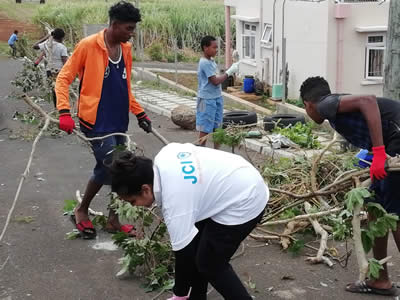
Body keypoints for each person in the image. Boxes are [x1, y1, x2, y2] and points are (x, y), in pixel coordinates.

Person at [109, 143, 269, 300]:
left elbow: (184, 255)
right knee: (199, 245)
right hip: (237, 176)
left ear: (145, 189)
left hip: (246, 199)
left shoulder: (175, 203)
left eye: (132, 201)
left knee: (210, 263)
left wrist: (179, 294)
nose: (136, 206)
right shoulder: (165, 154)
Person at [55, 1, 151, 239]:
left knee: (109, 168)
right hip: (96, 122)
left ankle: (105, 217)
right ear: (115, 25)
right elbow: (63, 78)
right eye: (129, 28)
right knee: (117, 168)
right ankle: (87, 211)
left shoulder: (125, 50)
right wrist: (64, 112)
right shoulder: (88, 46)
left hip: (119, 121)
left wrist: (139, 113)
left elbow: (125, 87)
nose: (132, 33)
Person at [300, 76, 400, 297]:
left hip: (395, 144)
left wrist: (380, 152)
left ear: (308, 104)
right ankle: (380, 279)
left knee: (395, 215)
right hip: (389, 145)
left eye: (306, 109)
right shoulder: (336, 108)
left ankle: (380, 279)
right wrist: (372, 155)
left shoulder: (325, 104)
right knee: (376, 210)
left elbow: (368, 101)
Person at [196, 36, 239, 148]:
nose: (216, 50)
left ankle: (217, 152)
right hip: (206, 100)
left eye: (217, 48)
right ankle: (200, 152)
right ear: (205, 48)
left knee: (217, 127)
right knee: (204, 128)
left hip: (216, 97)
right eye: (214, 47)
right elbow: (215, 81)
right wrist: (229, 72)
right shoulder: (204, 63)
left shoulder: (211, 61)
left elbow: (217, 78)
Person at [33, 28, 68, 107]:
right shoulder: (62, 47)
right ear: (62, 37)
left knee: (54, 89)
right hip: (59, 71)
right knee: (61, 90)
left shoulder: (47, 44)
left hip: (49, 71)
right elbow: (65, 62)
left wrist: (46, 37)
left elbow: (35, 46)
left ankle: (56, 106)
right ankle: (62, 107)